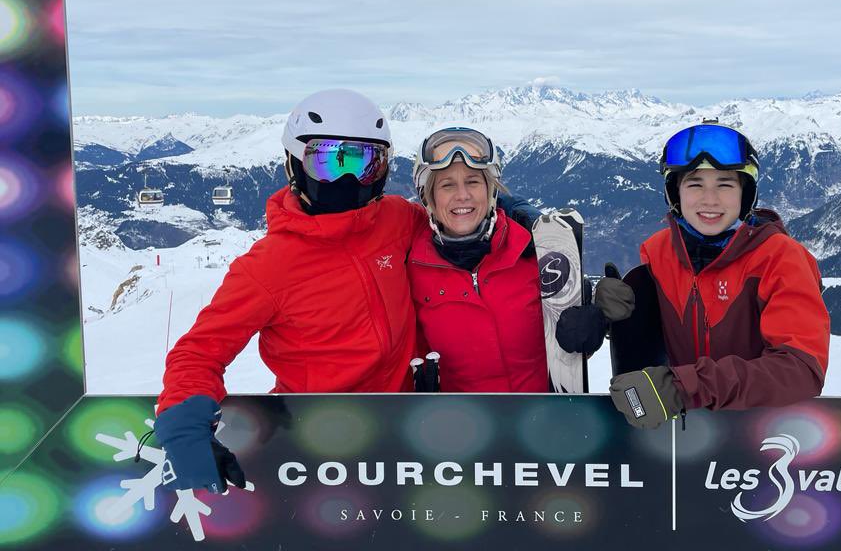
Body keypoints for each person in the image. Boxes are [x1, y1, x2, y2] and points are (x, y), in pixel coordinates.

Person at [153, 88, 428, 494]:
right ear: (294, 163)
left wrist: (522, 217)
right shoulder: (268, 267)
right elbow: (199, 351)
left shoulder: (398, 219)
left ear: (382, 169)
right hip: (315, 432)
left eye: (363, 162)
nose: (346, 177)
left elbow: (458, 221)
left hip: (410, 419)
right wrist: (184, 429)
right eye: (326, 160)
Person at [606, 120, 830, 429]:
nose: (709, 200)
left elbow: (802, 369)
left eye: (725, 184)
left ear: (744, 193)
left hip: (762, 434)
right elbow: (651, 339)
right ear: (676, 192)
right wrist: (615, 313)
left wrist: (685, 387)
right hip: (687, 435)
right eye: (695, 183)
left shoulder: (780, 259)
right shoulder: (659, 254)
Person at [407, 127, 632, 392]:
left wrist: (592, 324)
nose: (463, 195)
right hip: (462, 425)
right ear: (429, 197)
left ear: (491, 191)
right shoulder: (411, 268)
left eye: (473, 181)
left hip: (539, 422)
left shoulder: (536, 254)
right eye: (447, 185)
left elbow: (567, 352)